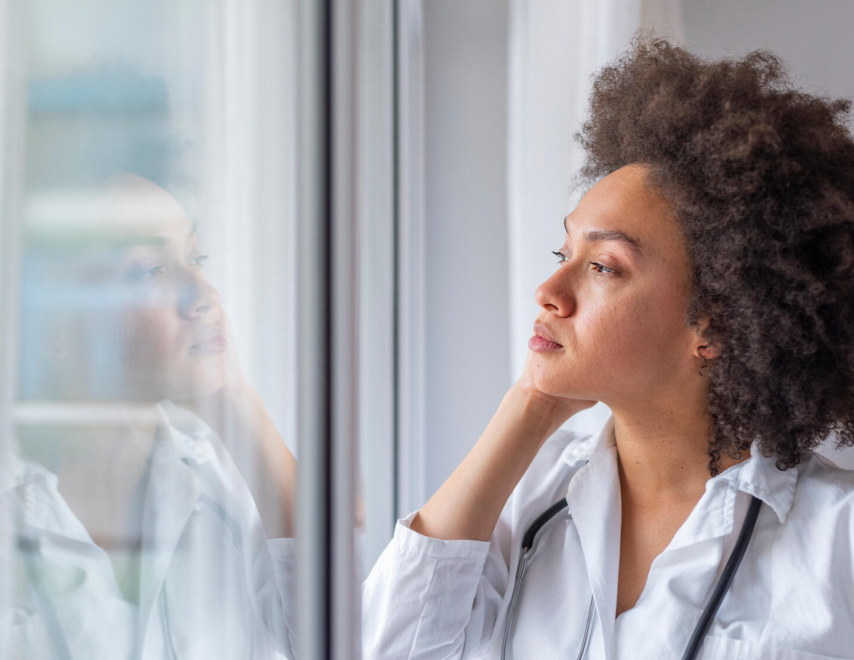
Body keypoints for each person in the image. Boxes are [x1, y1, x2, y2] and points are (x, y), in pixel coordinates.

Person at [362, 35, 854, 660]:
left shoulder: (838, 538)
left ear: (715, 325)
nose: (547, 290)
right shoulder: (527, 493)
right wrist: (530, 406)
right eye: (563, 254)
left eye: (604, 267)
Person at [0, 175, 298, 659]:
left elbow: (338, 630)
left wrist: (234, 397)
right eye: (151, 271)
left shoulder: (223, 481)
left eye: (196, 259)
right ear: (53, 324)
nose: (205, 293)